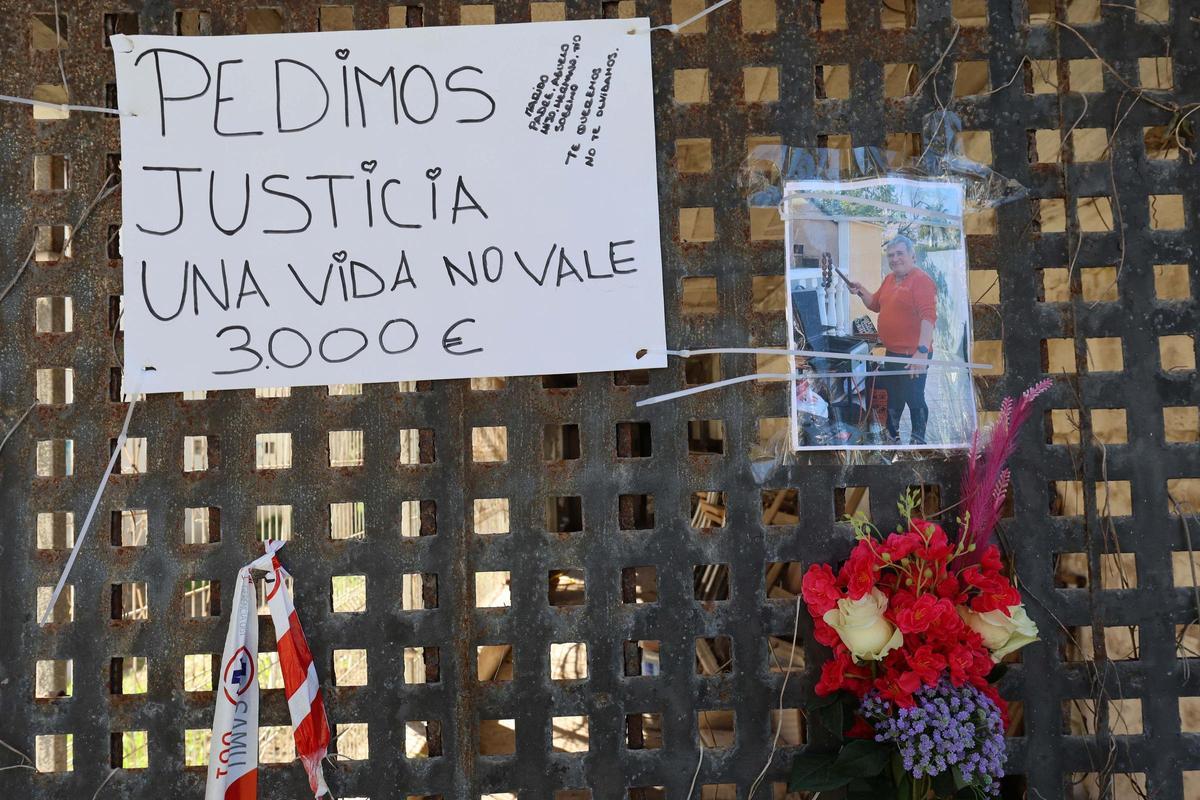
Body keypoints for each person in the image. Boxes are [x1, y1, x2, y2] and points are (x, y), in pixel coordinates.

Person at [846, 235, 937, 444]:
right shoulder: (889, 279)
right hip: (893, 353)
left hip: (913, 355)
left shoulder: (921, 280)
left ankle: (917, 441)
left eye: (899, 254)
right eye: (890, 255)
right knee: (894, 397)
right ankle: (892, 438)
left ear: (912, 256)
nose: (894, 259)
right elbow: (875, 304)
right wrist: (860, 291)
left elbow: (928, 318)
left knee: (914, 398)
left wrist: (922, 352)